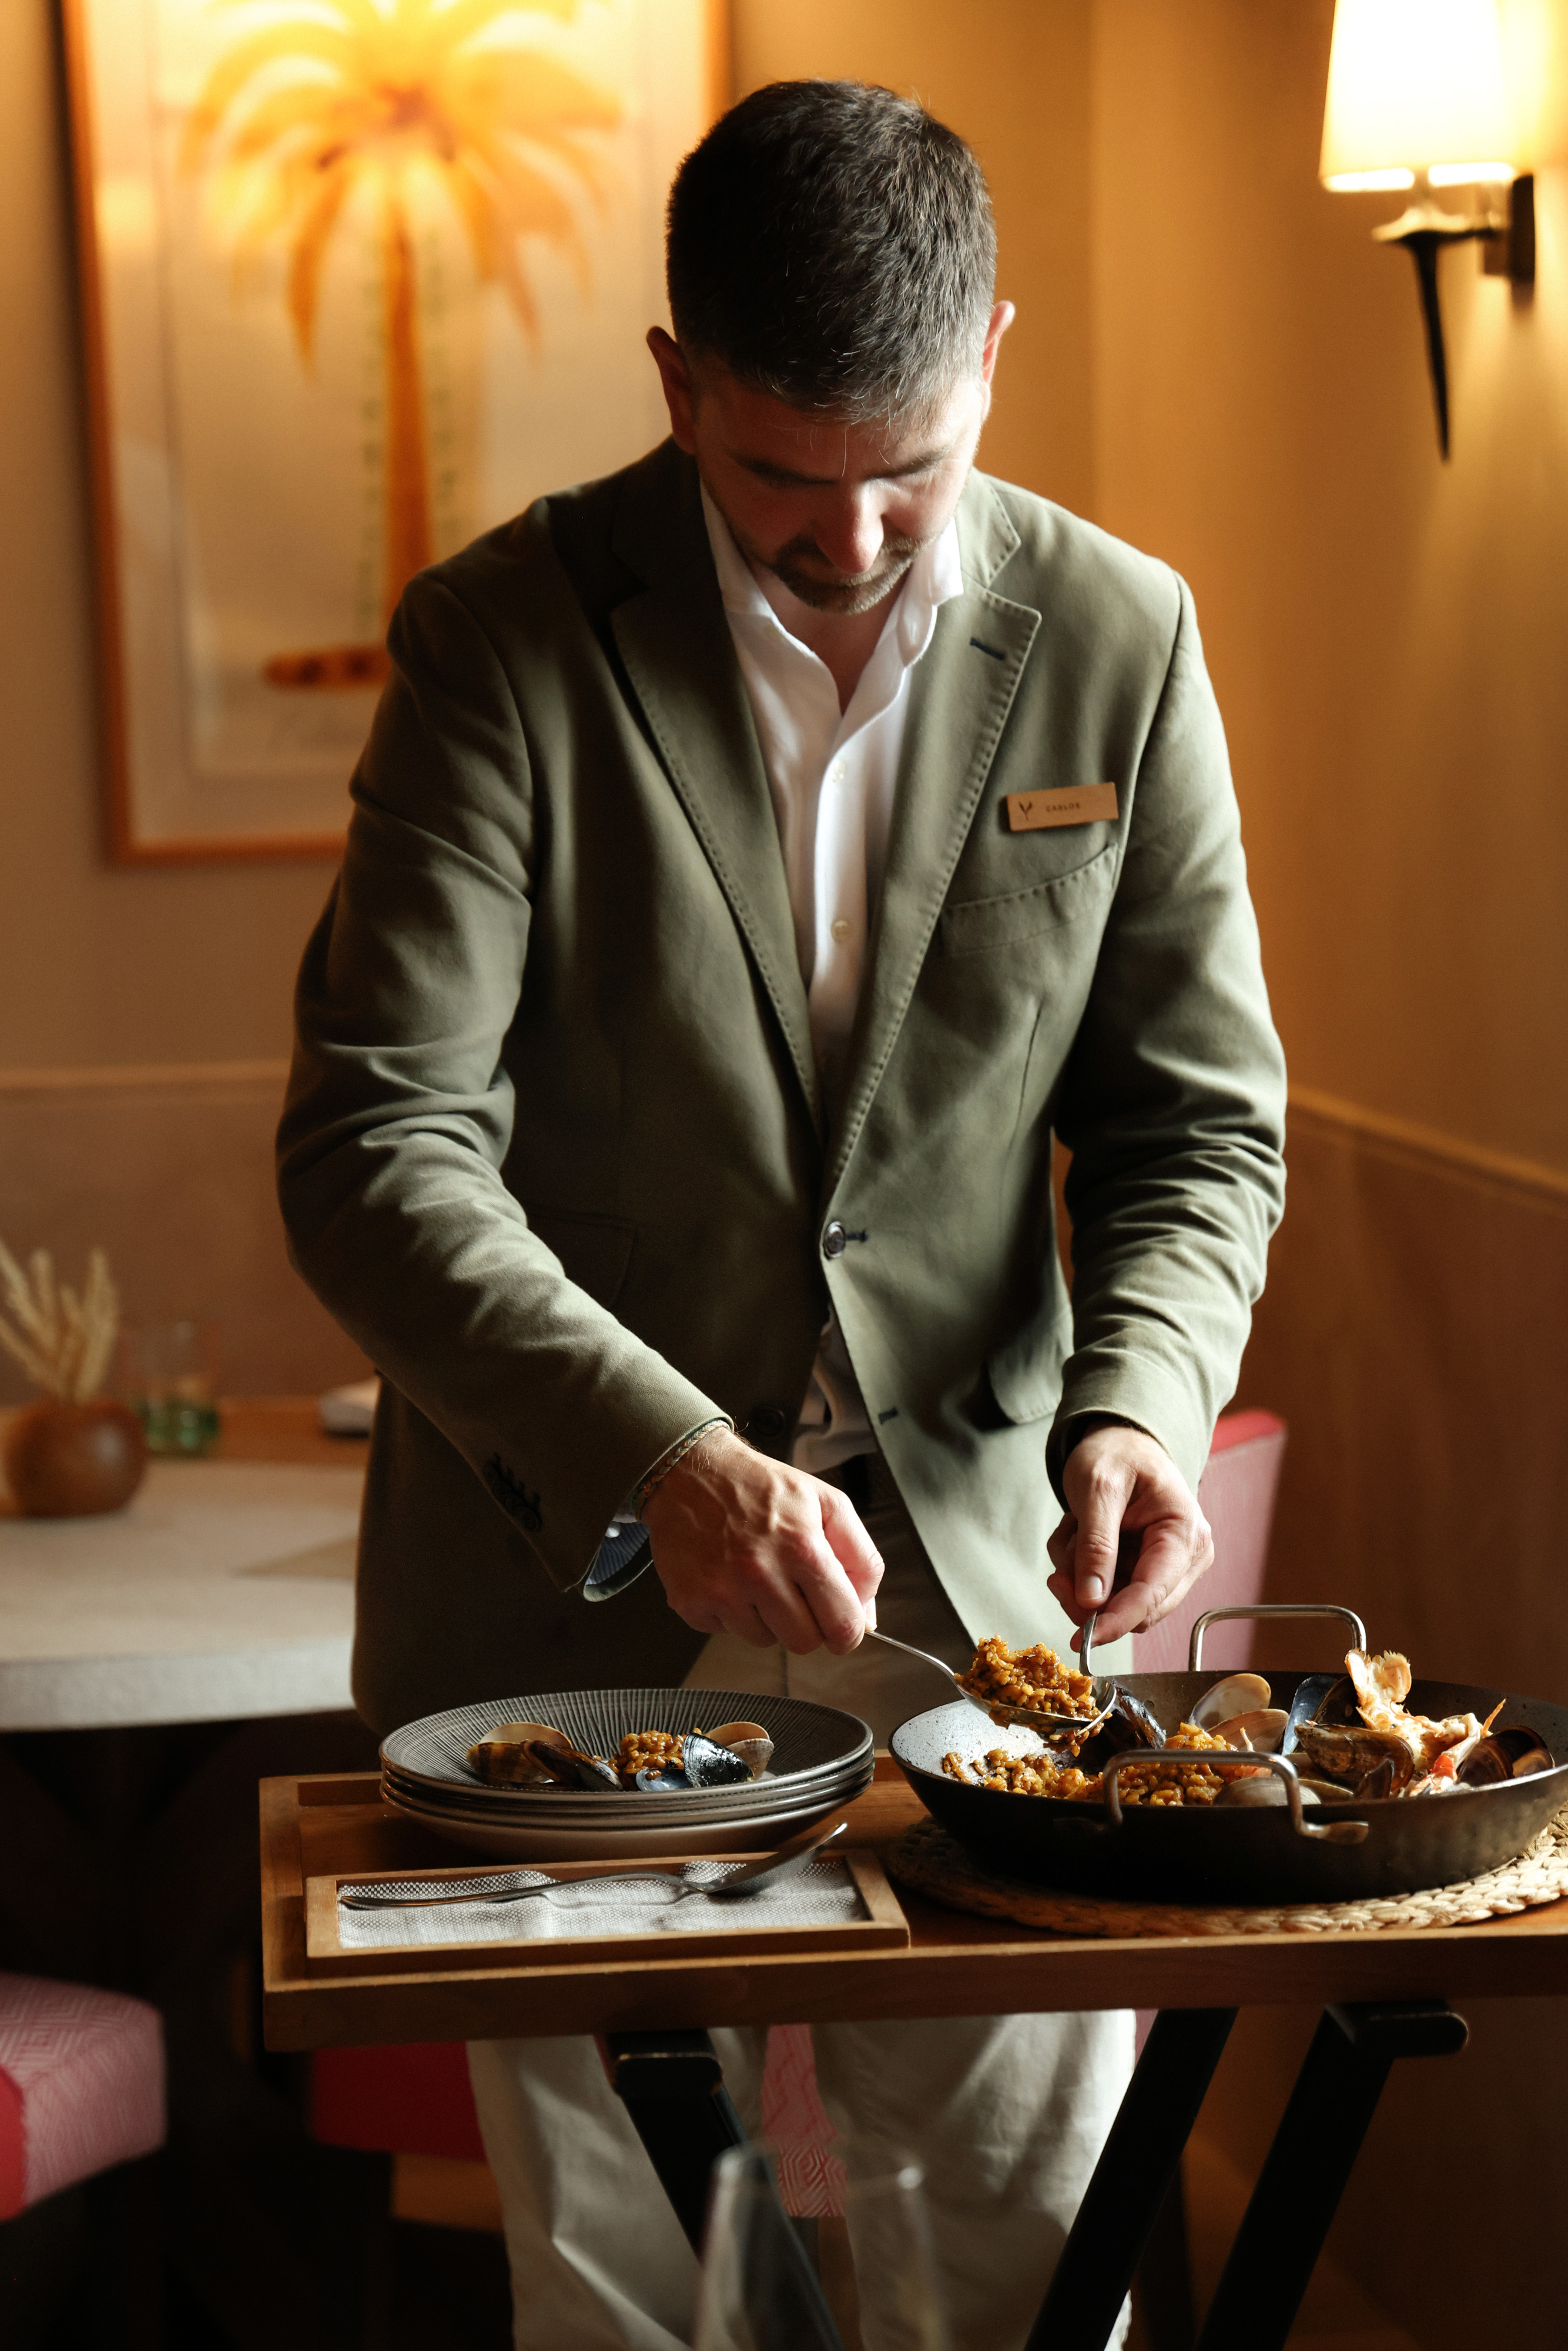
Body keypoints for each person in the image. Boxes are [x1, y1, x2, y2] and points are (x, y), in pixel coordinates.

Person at [278, 78, 1285, 2351]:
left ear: (996, 354)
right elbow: (375, 1143)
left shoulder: (1121, 639)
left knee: (1026, 2269)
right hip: (575, 1595)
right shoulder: (495, 646)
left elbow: (1194, 1131)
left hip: (982, 1580)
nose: (845, 544)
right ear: (672, 387)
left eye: (904, 476)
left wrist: (1134, 1404)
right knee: (633, 2288)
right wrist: (660, 1453)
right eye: (774, 479)